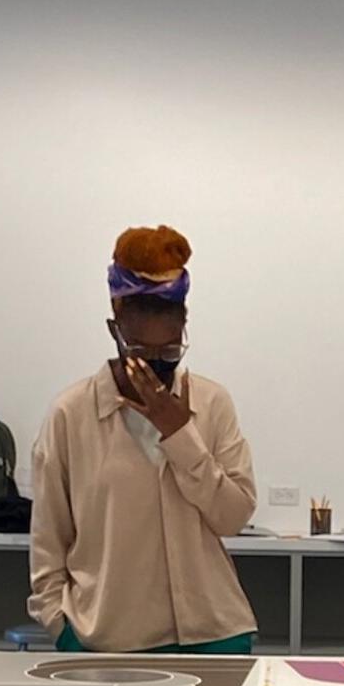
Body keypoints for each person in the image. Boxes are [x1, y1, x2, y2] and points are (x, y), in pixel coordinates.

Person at [28, 226, 259, 654]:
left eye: (169, 352)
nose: (155, 366)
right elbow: (48, 542)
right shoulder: (70, 415)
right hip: (110, 639)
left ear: (184, 329)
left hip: (215, 633)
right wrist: (60, 626)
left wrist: (180, 435)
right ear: (115, 330)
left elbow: (233, 517)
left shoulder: (211, 403)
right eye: (141, 352)